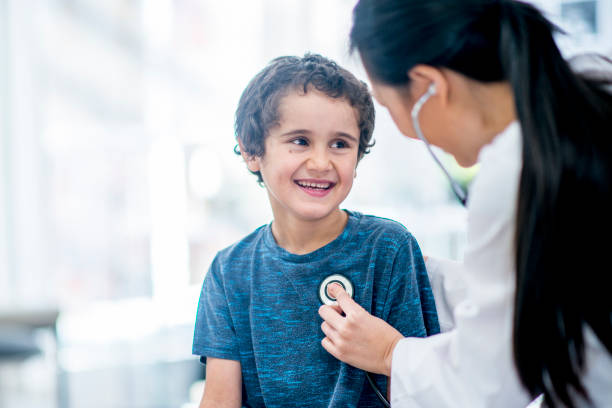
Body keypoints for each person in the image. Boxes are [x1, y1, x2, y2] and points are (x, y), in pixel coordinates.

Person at [318, 1, 612, 407]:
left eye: (388, 106)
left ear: (429, 87)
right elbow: (533, 291)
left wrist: (390, 354)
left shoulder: (516, 170)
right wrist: (412, 269)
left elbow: (491, 382)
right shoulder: (590, 84)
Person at [192, 53, 440, 408]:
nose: (321, 163)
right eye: (300, 141)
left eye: (340, 144)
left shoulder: (388, 248)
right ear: (251, 151)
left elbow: (420, 389)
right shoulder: (229, 271)